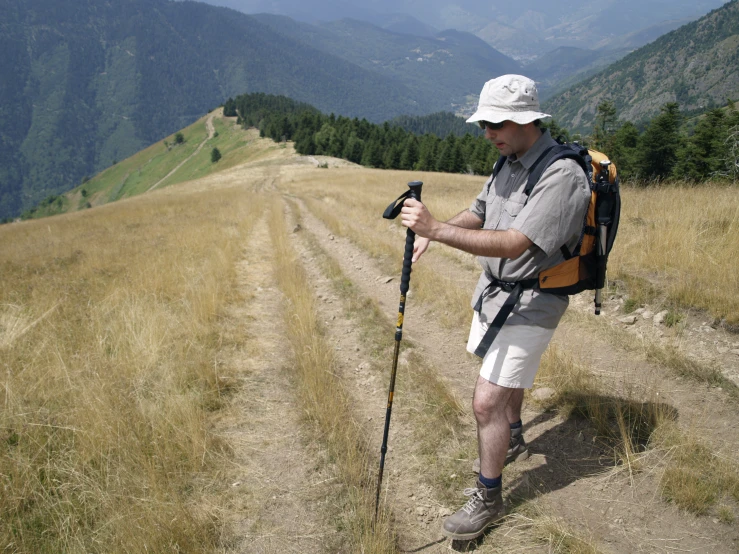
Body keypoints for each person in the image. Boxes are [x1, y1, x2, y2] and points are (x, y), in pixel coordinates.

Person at [400, 74, 590, 541]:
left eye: (495, 123)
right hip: (497, 293)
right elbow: (482, 213)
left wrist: (437, 231)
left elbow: (513, 243)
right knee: (504, 385)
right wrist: (435, 230)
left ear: (527, 120)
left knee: (486, 403)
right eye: (483, 123)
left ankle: (489, 496)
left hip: (534, 299)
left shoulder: (561, 175)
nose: (487, 132)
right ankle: (516, 431)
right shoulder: (508, 159)